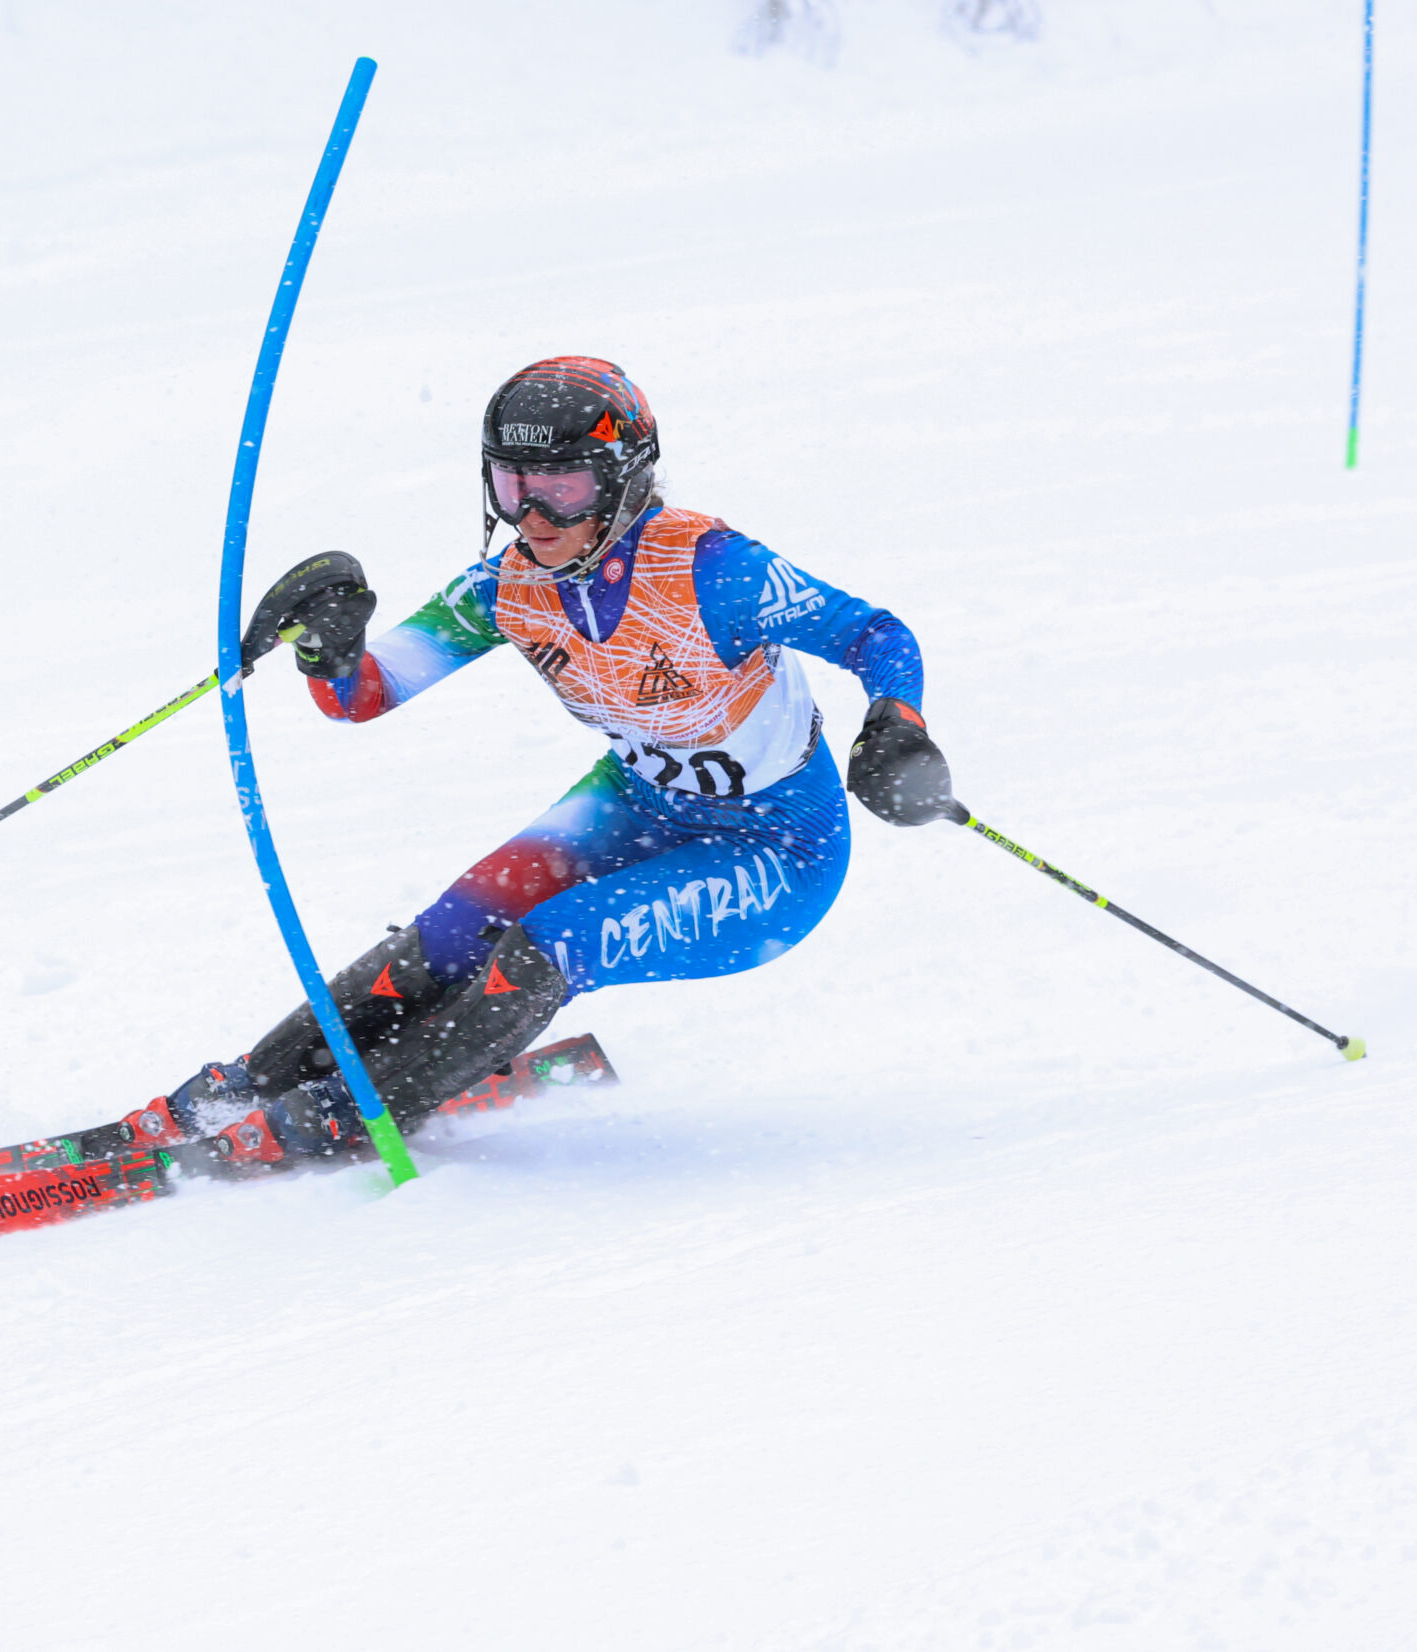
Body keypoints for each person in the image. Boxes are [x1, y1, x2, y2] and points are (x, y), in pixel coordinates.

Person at [127, 356, 958, 1167]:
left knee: (546, 947)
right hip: (637, 804)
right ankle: (242, 1091)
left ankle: (339, 1118)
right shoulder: (504, 588)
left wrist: (898, 726)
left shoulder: (710, 570)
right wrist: (327, 648)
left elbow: (875, 636)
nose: (534, 516)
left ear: (627, 479)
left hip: (776, 848)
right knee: (447, 936)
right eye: (511, 485)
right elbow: (364, 695)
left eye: (562, 485)